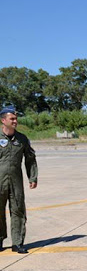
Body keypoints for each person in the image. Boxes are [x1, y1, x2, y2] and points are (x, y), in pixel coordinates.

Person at [0, 106, 37, 254]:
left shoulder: (22, 139)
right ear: (3, 120)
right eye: (12, 119)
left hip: (16, 181)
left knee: (18, 210)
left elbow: (30, 159)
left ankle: (18, 243)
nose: (15, 121)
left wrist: (32, 177)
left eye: (16, 118)